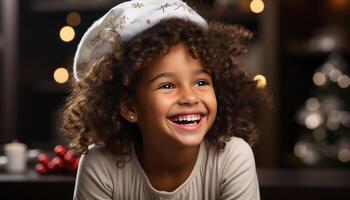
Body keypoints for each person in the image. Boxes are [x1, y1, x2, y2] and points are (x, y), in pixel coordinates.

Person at [61, 0, 270, 199]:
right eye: (167, 85)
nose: (189, 97)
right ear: (129, 107)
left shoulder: (232, 158)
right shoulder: (100, 165)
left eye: (201, 82)